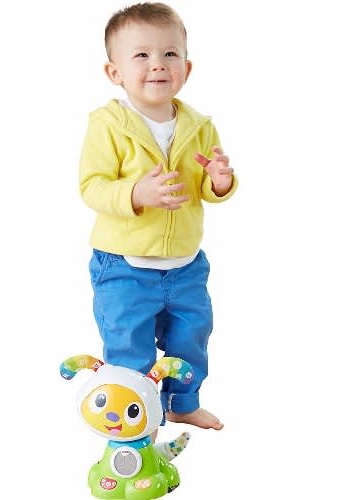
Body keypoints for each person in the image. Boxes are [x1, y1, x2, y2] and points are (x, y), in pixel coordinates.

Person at [79, 2, 238, 431]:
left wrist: (220, 180)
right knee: (128, 347)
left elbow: (206, 187)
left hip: (185, 265)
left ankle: (182, 403)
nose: (158, 64)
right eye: (142, 55)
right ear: (114, 72)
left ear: (186, 68)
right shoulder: (108, 124)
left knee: (191, 339)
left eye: (170, 54)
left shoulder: (199, 125)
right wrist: (136, 192)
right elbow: (92, 186)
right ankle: (135, 419)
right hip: (124, 266)